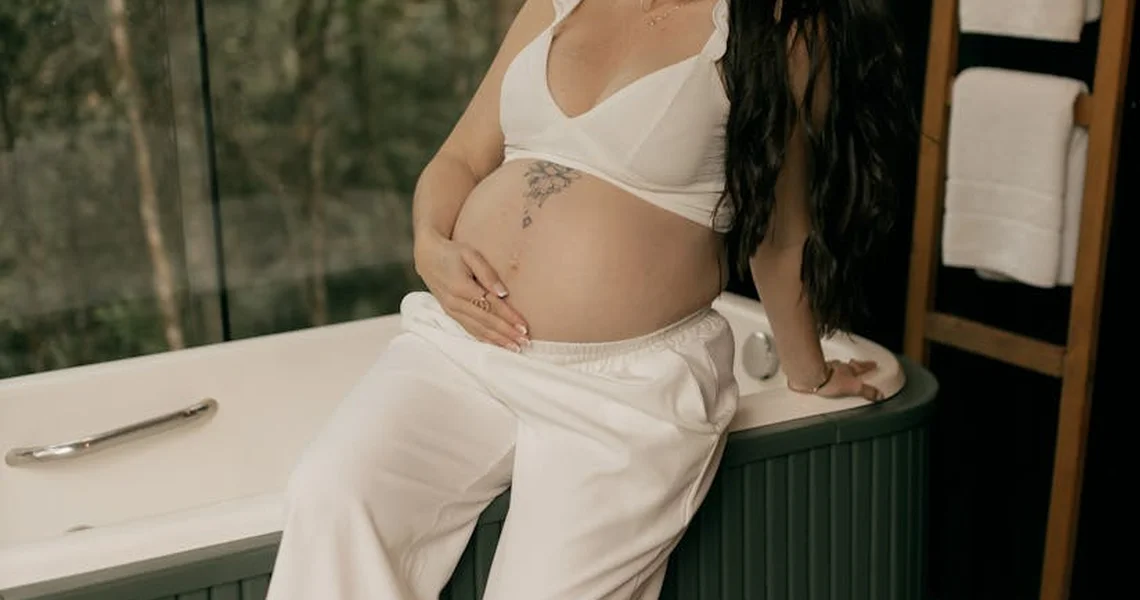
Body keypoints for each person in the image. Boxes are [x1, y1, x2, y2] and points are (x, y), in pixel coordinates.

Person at [264, 0, 909, 597]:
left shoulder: (777, 24)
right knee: (333, 497)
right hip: (464, 347)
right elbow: (459, 158)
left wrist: (809, 370)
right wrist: (430, 245)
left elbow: (780, 232)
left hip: (624, 389)